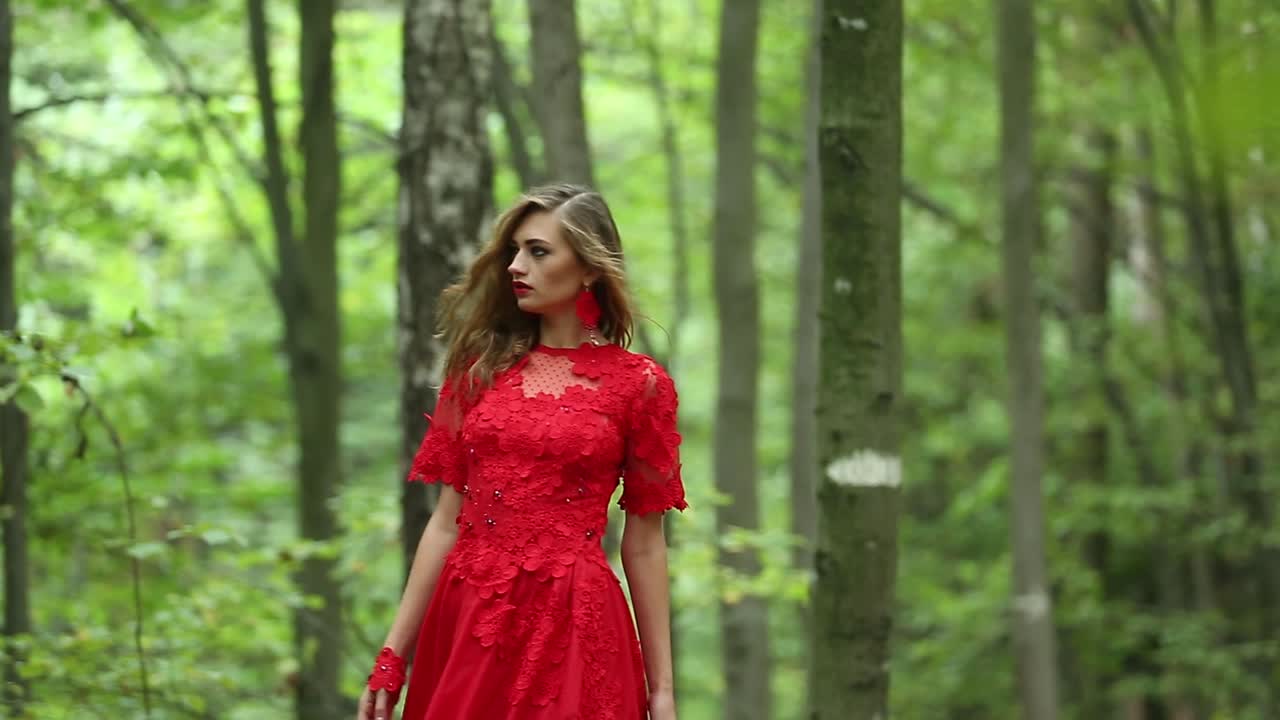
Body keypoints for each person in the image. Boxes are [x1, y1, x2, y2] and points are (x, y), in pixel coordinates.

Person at [356, 184, 686, 720]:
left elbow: (645, 545)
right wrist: (395, 652)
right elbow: (445, 522)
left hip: (575, 624)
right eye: (513, 250)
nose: (514, 266)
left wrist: (662, 689)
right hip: (468, 620)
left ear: (588, 269)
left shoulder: (639, 385)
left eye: (537, 251)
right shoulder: (478, 373)